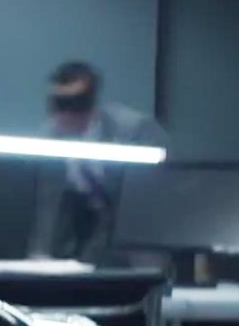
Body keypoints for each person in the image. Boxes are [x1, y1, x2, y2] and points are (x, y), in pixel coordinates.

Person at [28, 61, 169, 263]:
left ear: (93, 102)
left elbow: (163, 191)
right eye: (59, 104)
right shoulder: (49, 138)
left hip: (136, 222)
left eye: (77, 104)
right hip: (83, 227)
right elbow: (48, 202)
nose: (67, 114)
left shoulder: (134, 130)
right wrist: (40, 256)